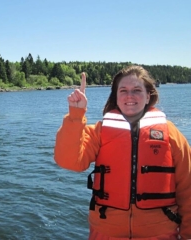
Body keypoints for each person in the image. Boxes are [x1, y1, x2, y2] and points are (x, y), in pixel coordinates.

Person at [54, 65, 191, 240]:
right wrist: (75, 114)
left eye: (137, 90)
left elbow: (188, 189)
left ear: (148, 95)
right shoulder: (99, 132)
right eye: (123, 90)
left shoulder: (171, 134)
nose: (130, 96)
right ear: (116, 97)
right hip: (106, 232)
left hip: (160, 233)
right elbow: (69, 161)